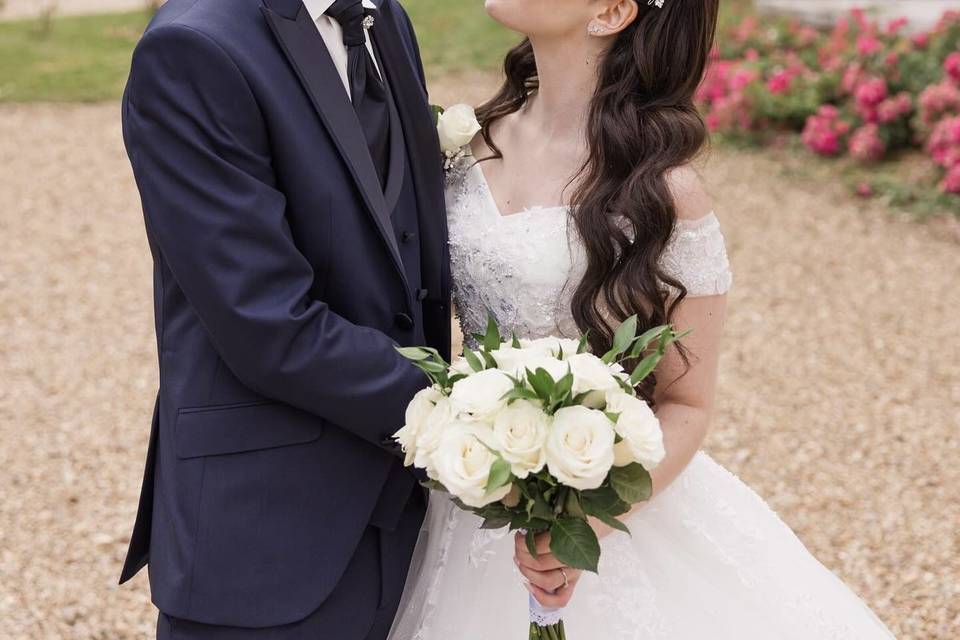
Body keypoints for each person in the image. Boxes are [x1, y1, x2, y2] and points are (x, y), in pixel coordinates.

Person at [387, 0, 897, 637]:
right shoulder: (466, 143)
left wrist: (584, 521)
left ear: (611, 12)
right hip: (469, 480)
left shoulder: (663, 192)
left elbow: (687, 401)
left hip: (596, 500)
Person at [117, 0, 449, 638]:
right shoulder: (194, 48)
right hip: (269, 532)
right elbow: (265, 322)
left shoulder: (385, 19)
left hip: (413, 521)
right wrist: (464, 413)